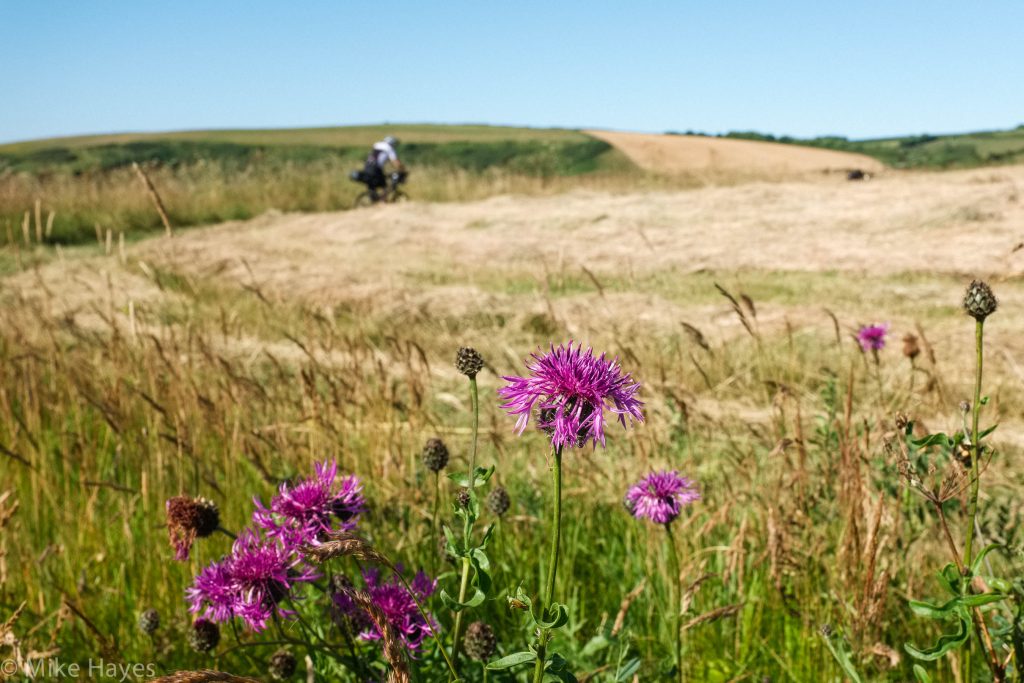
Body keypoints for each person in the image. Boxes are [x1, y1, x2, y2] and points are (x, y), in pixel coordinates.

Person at [363, 136, 406, 200]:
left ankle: (373, 200)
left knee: (372, 184)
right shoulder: (389, 148)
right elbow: (395, 161)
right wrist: (402, 169)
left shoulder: (377, 145)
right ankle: (382, 202)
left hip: (367, 166)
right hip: (376, 168)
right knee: (385, 186)